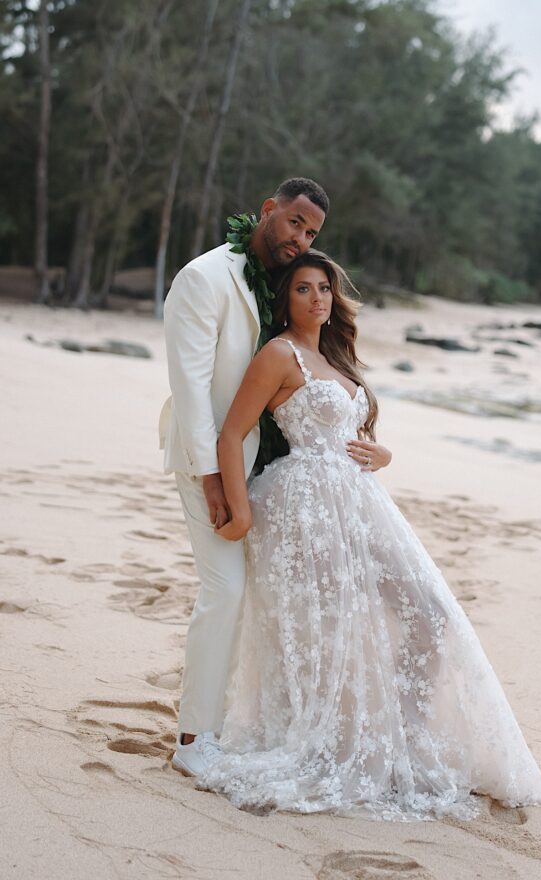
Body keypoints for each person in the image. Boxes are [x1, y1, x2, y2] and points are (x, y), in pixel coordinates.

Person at [198, 250, 541, 820]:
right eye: (303, 289)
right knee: (334, 630)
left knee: (429, 610)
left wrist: (382, 453)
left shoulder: (334, 356)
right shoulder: (279, 353)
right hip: (305, 503)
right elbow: (231, 433)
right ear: (284, 300)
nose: (317, 299)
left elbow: (353, 434)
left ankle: (404, 739)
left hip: (360, 501)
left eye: (325, 290)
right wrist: (238, 513)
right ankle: (341, 743)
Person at [160, 178, 329, 779]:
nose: (300, 239)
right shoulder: (204, 279)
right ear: (267, 211)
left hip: (257, 461)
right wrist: (210, 477)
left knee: (252, 595)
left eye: (311, 233)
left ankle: (220, 723)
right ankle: (190, 739)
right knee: (224, 591)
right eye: (294, 224)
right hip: (204, 456)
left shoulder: (281, 283)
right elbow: (190, 389)